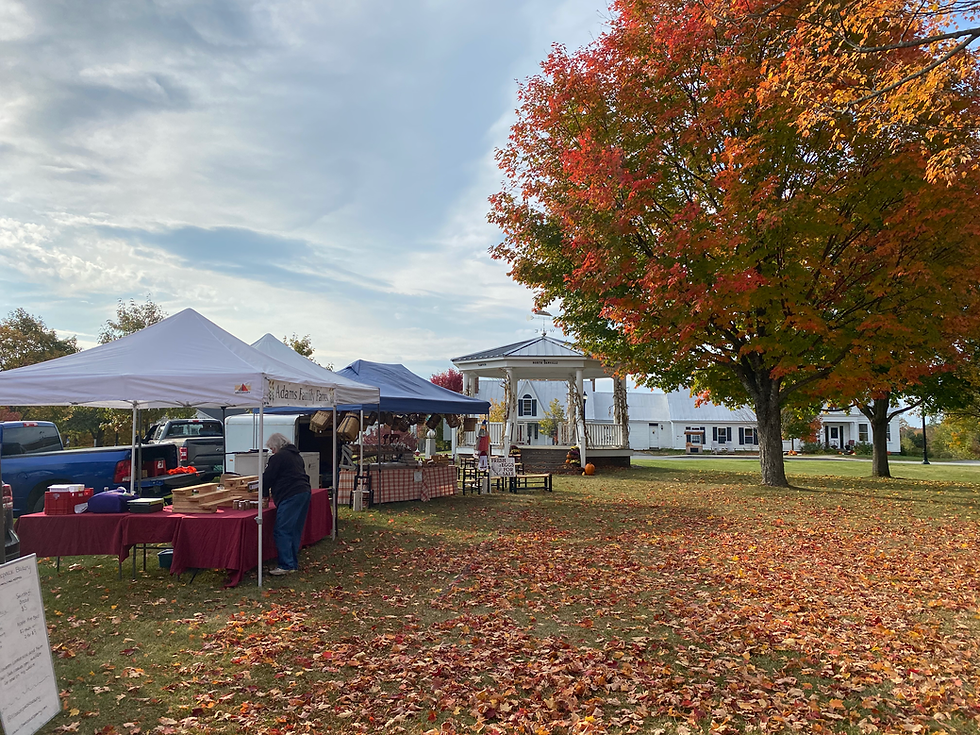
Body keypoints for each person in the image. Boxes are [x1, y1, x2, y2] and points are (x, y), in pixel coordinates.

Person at [263, 432, 311, 576]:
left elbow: (268, 477)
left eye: (272, 448)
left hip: (290, 494)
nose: (272, 451)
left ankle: (286, 564)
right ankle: (292, 563)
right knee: (294, 529)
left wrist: (264, 494)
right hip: (304, 491)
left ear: (277, 446)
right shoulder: (296, 456)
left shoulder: (278, 458)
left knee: (282, 530)